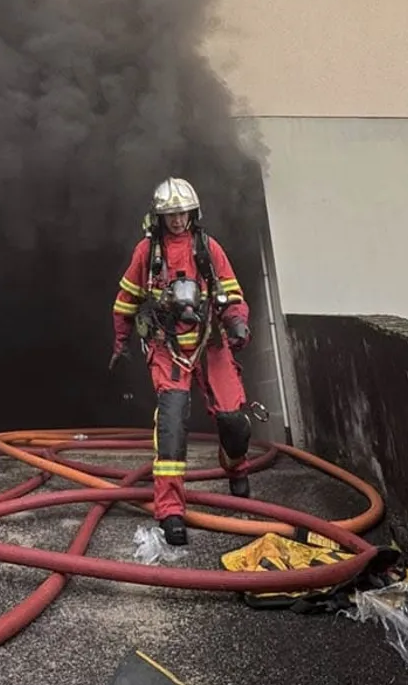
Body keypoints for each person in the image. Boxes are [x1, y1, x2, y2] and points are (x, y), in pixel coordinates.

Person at [109, 178, 253, 546]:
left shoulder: (208, 248)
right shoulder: (147, 252)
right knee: (171, 429)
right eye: (170, 214)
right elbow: (126, 300)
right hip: (168, 347)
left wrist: (236, 322)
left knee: (234, 421)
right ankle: (170, 510)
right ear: (160, 217)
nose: (177, 220)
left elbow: (231, 292)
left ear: (193, 212)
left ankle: (236, 464)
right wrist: (121, 342)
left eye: (182, 213)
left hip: (210, 342)